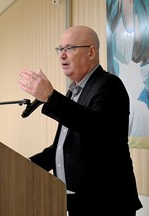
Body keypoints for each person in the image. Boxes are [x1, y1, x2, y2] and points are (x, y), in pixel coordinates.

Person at [18, 26, 143, 216]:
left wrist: (51, 98)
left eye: (69, 48)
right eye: (60, 49)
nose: (62, 56)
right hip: (79, 202)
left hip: (107, 203)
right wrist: (20, 166)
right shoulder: (74, 91)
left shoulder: (109, 85)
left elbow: (94, 127)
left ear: (91, 52)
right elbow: (63, 148)